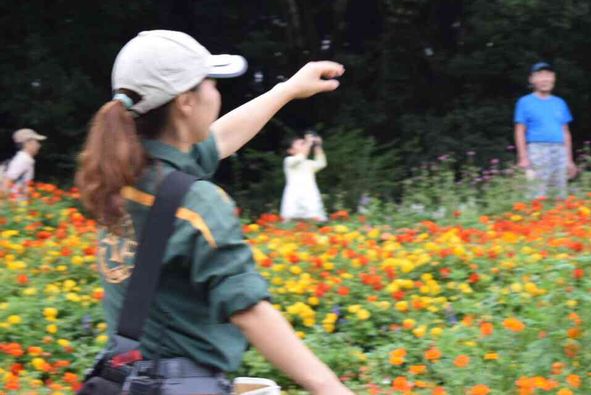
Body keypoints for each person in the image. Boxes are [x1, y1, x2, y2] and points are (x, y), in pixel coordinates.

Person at [75, 30, 354, 395]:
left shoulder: (120, 178)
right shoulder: (197, 204)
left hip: (129, 379)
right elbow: (250, 312)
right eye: (210, 83)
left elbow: (219, 139)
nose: (216, 93)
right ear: (186, 102)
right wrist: (332, 388)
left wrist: (286, 91)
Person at [514, 61, 577, 199]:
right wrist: (523, 158)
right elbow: (520, 131)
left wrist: (569, 160)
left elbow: (566, 132)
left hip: (559, 151)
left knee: (560, 194)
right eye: (540, 75)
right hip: (536, 151)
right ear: (532, 79)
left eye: (548, 75)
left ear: (553, 78)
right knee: (537, 194)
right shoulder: (524, 102)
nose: (544, 79)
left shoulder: (560, 103)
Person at [280, 132, 328, 222]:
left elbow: (321, 163)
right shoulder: (288, 161)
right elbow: (300, 158)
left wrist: (317, 146)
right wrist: (309, 143)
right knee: (290, 224)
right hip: (294, 197)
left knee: (315, 221)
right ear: (291, 150)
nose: (305, 145)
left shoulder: (308, 163)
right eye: (301, 144)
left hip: (310, 196)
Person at [2, 128, 46, 201]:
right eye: (36, 142)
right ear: (27, 143)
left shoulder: (25, 159)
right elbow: (7, 182)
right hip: (15, 207)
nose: (39, 145)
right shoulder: (22, 160)